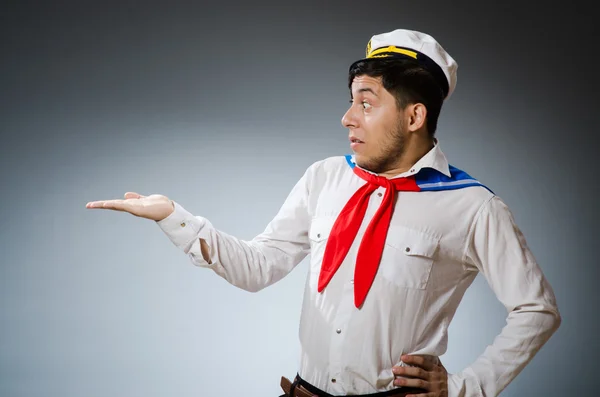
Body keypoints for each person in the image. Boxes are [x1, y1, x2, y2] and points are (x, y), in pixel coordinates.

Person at [86, 29, 561, 397]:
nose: (347, 117)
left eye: (366, 103)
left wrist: (463, 389)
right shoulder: (325, 177)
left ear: (414, 117)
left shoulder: (473, 206)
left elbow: (536, 310)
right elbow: (259, 266)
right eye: (351, 100)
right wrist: (173, 216)